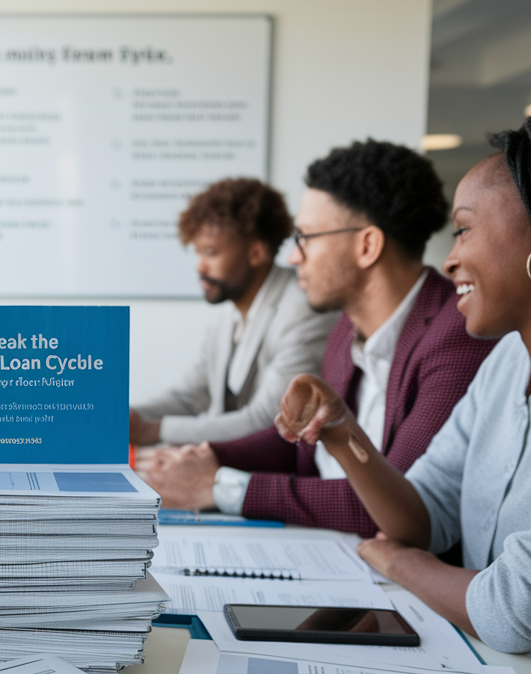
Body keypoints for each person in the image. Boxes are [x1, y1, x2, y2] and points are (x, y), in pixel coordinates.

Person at [274, 99, 531, 674]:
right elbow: (422, 515)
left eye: (464, 229)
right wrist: (345, 436)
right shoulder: (506, 362)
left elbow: (520, 609)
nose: (449, 260)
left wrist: (403, 564)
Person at [140, 141, 494, 537]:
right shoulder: (345, 328)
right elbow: (302, 447)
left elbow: (396, 506)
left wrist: (221, 485)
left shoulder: (458, 338)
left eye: (305, 237)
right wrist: (204, 459)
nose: (293, 257)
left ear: (367, 246)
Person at [129, 178, 337, 446]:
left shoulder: (303, 310)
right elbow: (191, 395)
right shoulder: (227, 311)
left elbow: (268, 420)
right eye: (197, 252)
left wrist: (151, 431)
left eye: (210, 252)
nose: (199, 267)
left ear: (256, 252)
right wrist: (126, 417)